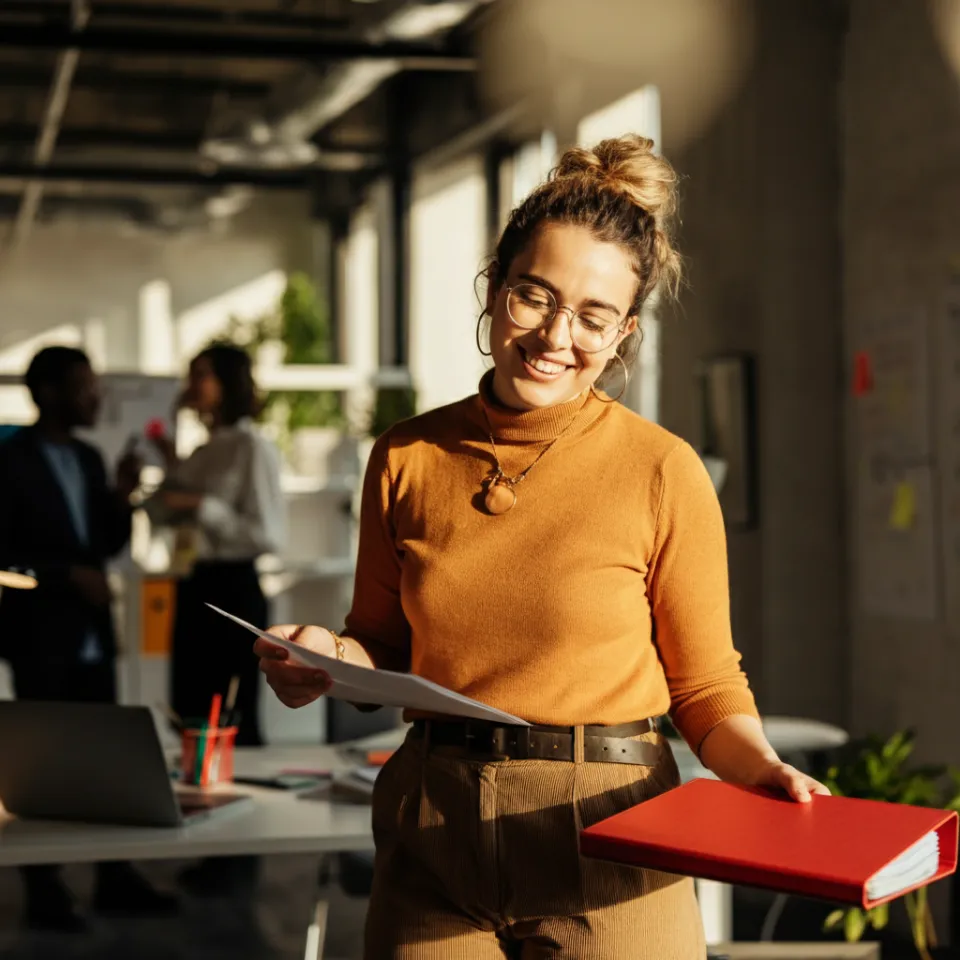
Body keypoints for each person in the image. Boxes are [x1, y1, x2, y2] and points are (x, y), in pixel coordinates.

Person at [256, 135, 830, 959]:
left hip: (614, 830)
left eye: (594, 316)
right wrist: (323, 654)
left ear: (623, 332)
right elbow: (379, 645)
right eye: (534, 295)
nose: (557, 334)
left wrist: (760, 767)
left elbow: (704, 683)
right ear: (495, 290)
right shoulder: (407, 455)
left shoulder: (661, 470)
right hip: (435, 823)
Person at [0, 345, 177, 932]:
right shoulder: (10, 460)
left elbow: (102, 546)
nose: (96, 396)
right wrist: (61, 577)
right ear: (49, 393)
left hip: (93, 636)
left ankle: (113, 876)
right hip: (38, 634)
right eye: (84, 386)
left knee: (107, 756)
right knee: (39, 762)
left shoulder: (88, 456)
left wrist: (122, 496)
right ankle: (43, 887)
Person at [143, 343, 284, 895]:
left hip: (234, 590)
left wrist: (199, 506)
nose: (193, 383)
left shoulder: (253, 448)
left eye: (202, 374)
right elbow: (157, 512)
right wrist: (166, 463)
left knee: (233, 720)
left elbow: (267, 535)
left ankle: (239, 853)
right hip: (194, 585)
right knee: (194, 719)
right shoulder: (200, 449)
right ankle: (212, 844)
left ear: (228, 381)